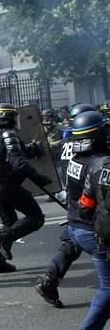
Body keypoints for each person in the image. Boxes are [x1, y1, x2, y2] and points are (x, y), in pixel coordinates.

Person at [35, 110, 108, 308]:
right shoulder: (96, 157)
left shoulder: (74, 149)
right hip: (89, 212)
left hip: (74, 207)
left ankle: (49, 280)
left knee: (70, 243)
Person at [0, 102, 51, 273]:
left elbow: (6, 154)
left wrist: (30, 149)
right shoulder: (8, 133)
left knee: (10, 223)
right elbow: (17, 163)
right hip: (8, 184)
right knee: (36, 217)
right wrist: (38, 178)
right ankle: (3, 239)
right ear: (8, 118)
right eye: (14, 117)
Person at [67, 125, 110, 330]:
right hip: (95, 233)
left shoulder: (90, 163)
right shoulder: (99, 163)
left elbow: (84, 204)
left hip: (82, 228)